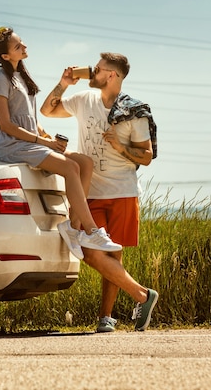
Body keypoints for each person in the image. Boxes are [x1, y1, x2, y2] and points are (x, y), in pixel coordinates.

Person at [40, 52, 159, 332]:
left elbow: (146, 156)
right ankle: (142, 295)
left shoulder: (133, 111)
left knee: (112, 258)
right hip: (89, 192)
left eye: (100, 69)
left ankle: (106, 319)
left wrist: (120, 147)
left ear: (112, 75)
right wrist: (63, 83)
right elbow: (47, 110)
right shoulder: (83, 99)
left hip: (122, 191)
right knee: (91, 253)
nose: (94, 72)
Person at [0, 27, 122, 253]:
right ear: (5, 56)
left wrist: (46, 135)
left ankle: (73, 227)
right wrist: (44, 143)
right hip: (13, 145)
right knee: (71, 167)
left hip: (32, 142)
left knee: (85, 163)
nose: (24, 47)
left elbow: (28, 116)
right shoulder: (0, 78)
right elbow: (6, 124)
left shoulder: (22, 75)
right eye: (18, 46)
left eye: (22, 42)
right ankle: (92, 231)